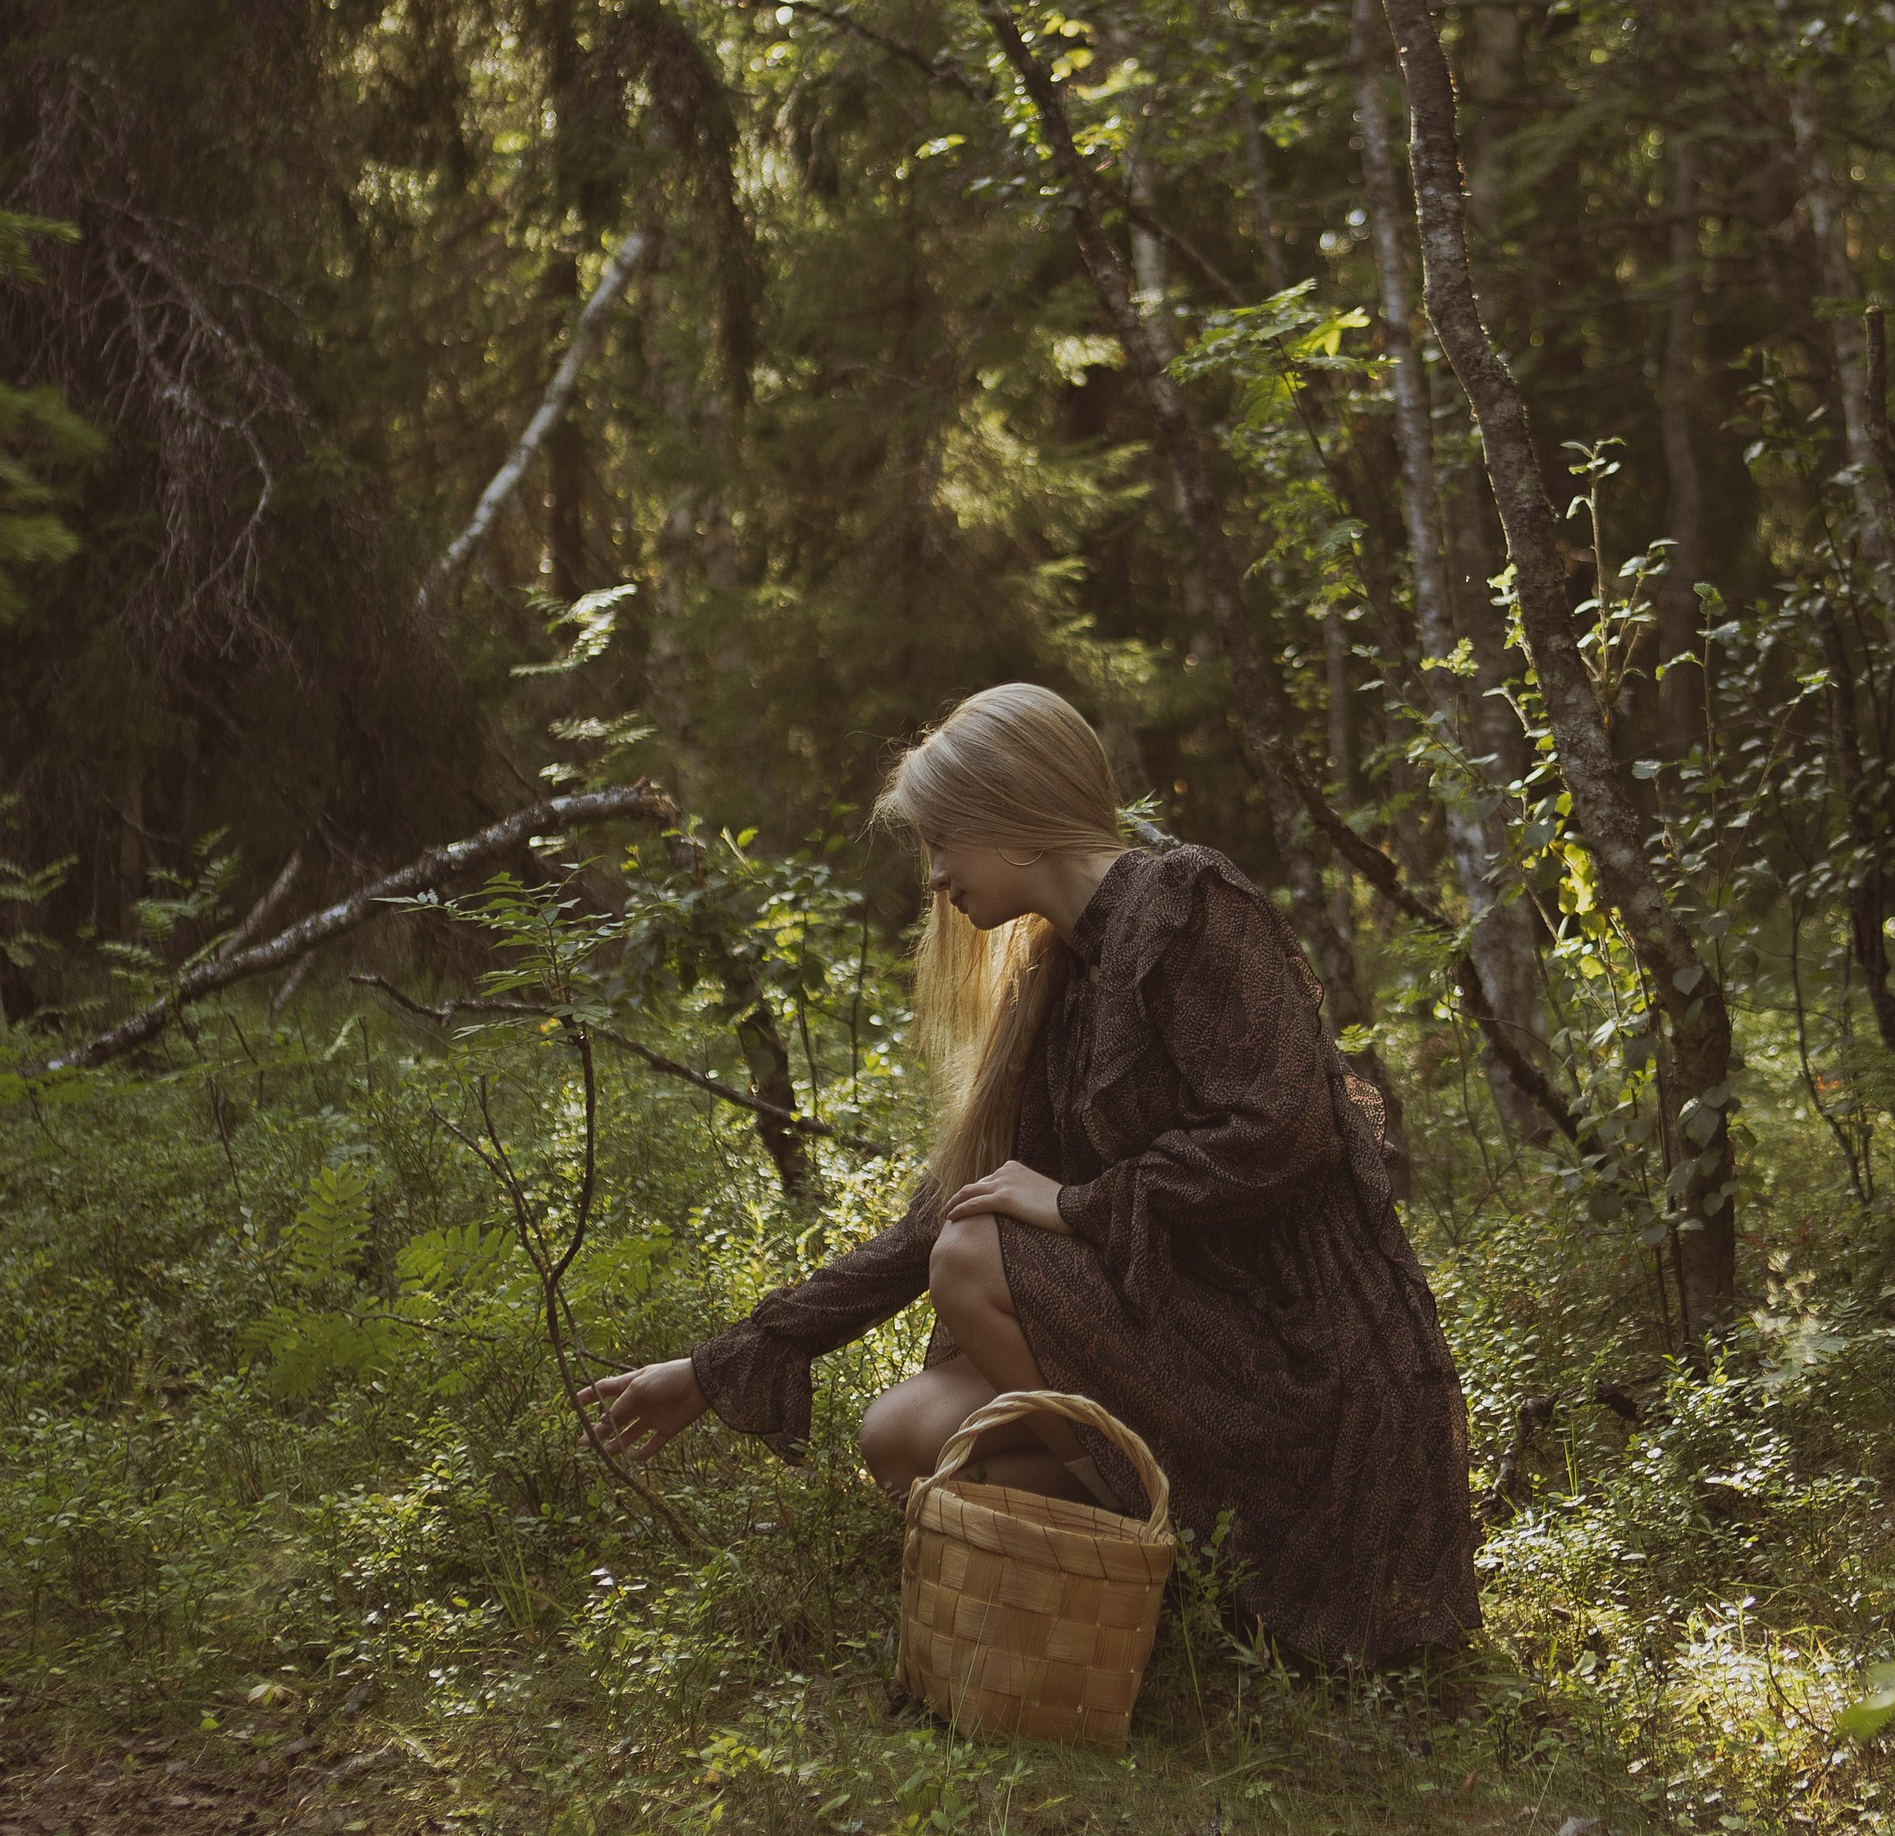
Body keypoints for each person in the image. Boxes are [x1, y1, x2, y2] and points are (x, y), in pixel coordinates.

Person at [581, 683, 1478, 1668]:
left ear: (1013, 824)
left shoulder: (1187, 902)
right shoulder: (1063, 973)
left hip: (1302, 1352)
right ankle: (1171, 1556)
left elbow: (1287, 1129)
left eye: (942, 843)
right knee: (901, 1434)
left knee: (976, 1257)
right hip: (1189, 1324)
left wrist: (1075, 1202)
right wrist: (717, 1367)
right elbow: (931, 1222)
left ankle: (1228, 1576)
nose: (934, 880)